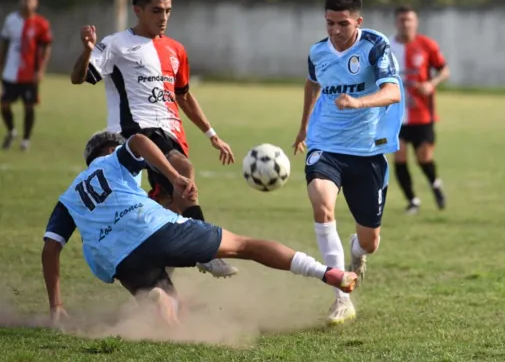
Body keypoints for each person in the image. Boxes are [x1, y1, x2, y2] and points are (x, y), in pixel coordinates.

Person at [42, 131, 358, 326]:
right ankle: (328, 274)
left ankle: (160, 298)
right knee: (245, 246)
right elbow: (138, 141)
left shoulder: (67, 198)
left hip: (117, 260)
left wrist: (56, 304)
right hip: (150, 227)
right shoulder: (112, 160)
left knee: (168, 305)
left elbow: (51, 248)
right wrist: (173, 175)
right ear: (110, 151)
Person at [69, 0, 236, 276]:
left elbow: (183, 95)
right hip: (133, 133)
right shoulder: (117, 44)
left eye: (168, 10)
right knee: (183, 172)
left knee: (165, 207)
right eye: (157, 11)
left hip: (170, 132)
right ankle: (205, 249)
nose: (164, 18)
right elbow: (79, 77)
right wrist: (87, 50)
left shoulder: (175, 50)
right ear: (138, 10)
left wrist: (212, 135)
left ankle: (157, 283)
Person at [292, 0, 403, 325]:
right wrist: (304, 128)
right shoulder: (317, 52)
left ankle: (357, 251)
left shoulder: (376, 46)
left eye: (343, 24)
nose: (336, 32)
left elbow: (393, 91)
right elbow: (313, 84)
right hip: (325, 145)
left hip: (367, 151)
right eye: (329, 23)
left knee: (370, 241)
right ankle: (341, 296)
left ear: (358, 20)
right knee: (322, 204)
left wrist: (359, 102)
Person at [390, 6, 450, 214]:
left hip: (423, 114)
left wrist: (431, 84)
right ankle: (412, 200)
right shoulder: (387, 47)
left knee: (424, 158)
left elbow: (444, 70)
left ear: (416, 22)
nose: (405, 24)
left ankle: (435, 184)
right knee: (399, 157)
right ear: (396, 23)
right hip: (396, 115)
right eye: (401, 20)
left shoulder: (427, 45)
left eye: (409, 20)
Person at [0, 0, 52, 151]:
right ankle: (11, 131)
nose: (28, 3)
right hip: (10, 71)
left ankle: (26, 139)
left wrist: (41, 70)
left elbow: (46, 48)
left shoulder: (41, 24)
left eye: (31, 0)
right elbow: (4, 44)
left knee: (29, 106)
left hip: (30, 74)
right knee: (4, 104)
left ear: (36, 4)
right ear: (20, 1)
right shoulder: (11, 20)